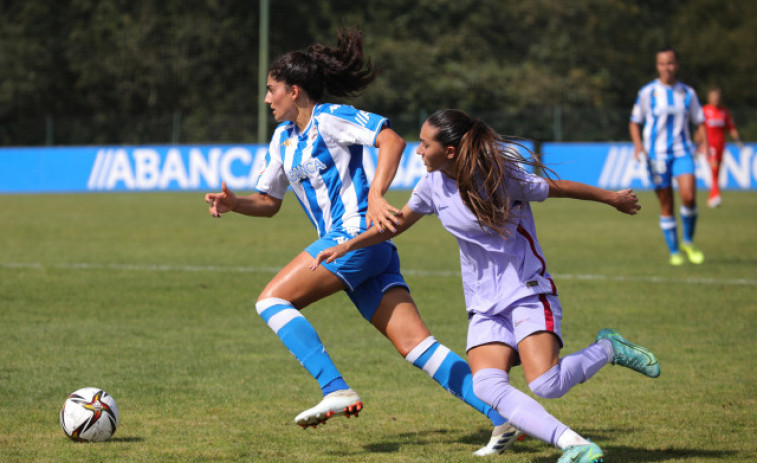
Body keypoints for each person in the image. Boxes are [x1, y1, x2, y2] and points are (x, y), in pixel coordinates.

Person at [204, 29, 520, 456]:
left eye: (271, 90)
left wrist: (375, 195)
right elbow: (269, 202)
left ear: (294, 91)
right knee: (418, 347)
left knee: (271, 302)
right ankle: (505, 416)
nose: (267, 99)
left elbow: (391, 138)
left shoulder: (330, 117)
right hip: (361, 249)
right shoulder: (282, 139)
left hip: (354, 235)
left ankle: (335, 387)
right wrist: (234, 203)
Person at [312, 109, 661, 463]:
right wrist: (347, 245)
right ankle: (576, 445)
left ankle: (608, 348)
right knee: (487, 386)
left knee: (546, 384)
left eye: (424, 143)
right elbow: (397, 223)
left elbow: (557, 188)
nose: (418, 151)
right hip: (483, 303)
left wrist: (612, 198)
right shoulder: (431, 186)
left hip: (527, 290)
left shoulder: (500, 175)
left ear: (449, 151)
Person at [629, 47, 709, 266]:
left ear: (677, 65)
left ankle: (688, 242)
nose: (667, 68)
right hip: (657, 156)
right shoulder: (648, 92)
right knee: (666, 204)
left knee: (689, 197)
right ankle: (674, 251)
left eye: (670, 63)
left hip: (683, 151)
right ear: (658, 66)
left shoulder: (687, 93)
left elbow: (699, 120)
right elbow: (635, 121)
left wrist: (704, 144)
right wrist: (638, 146)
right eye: (663, 64)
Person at [702, 86, 744, 207]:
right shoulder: (705, 110)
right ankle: (716, 196)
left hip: (721, 145)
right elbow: (700, 129)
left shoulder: (724, 112)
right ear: (709, 98)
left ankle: (712, 196)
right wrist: (701, 144)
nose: (716, 99)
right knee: (714, 168)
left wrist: (738, 140)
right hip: (710, 146)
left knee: (717, 171)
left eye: (718, 97)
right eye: (713, 97)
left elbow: (731, 127)